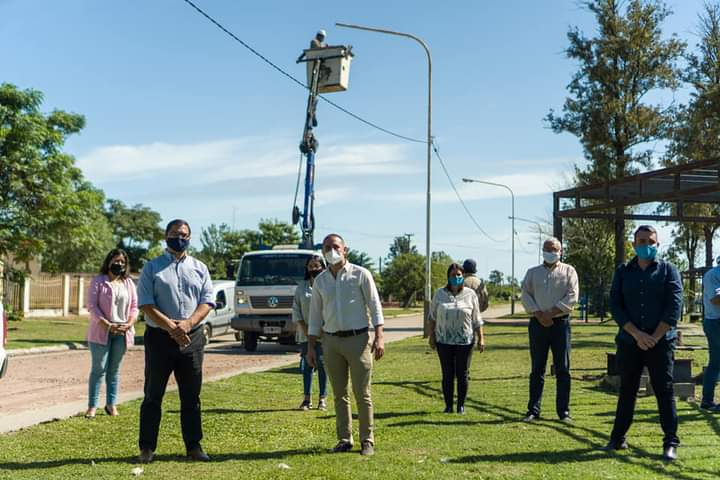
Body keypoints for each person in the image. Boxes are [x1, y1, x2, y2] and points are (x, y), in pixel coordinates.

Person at [136, 219, 214, 464]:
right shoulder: (152, 268)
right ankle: (147, 448)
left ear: (189, 238)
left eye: (183, 234)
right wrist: (172, 327)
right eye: (174, 234)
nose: (178, 238)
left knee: (191, 396)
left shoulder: (200, 267)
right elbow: (146, 304)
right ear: (165, 236)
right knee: (153, 394)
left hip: (192, 337)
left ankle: (194, 447)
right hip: (160, 338)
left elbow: (207, 301)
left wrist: (188, 324)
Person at [605, 225, 682, 461]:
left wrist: (654, 337)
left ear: (657, 245)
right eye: (641, 241)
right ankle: (617, 439)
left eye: (650, 241)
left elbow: (674, 307)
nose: (645, 245)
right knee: (627, 390)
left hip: (661, 342)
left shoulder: (669, 271)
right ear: (633, 244)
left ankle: (670, 442)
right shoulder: (623, 271)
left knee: (664, 391)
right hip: (630, 341)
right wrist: (637, 334)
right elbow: (615, 306)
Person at [306, 233, 384, 456]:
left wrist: (379, 336)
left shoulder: (361, 274)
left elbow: (375, 306)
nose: (332, 251)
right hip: (331, 341)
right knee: (339, 393)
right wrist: (311, 346)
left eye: (336, 246)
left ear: (345, 250)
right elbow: (314, 316)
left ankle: (367, 440)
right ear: (323, 252)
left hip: (358, 340)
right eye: (327, 247)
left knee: (362, 392)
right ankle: (344, 439)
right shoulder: (320, 281)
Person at [520, 237, 578, 423]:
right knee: (537, 368)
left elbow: (572, 296)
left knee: (563, 368)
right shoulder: (532, 273)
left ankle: (564, 412)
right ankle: (533, 410)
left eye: (553, 249)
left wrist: (551, 313)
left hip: (560, 324)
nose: (550, 252)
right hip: (537, 325)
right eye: (546, 248)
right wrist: (539, 314)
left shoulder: (569, 271)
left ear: (560, 251)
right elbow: (525, 294)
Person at [85, 248, 138, 418]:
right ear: (108, 262)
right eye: (116, 261)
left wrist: (129, 323)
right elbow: (92, 307)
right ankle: (92, 406)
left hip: (122, 332)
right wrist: (107, 324)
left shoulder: (128, 283)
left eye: (122, 262)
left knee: (114, 370)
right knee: (99, 369)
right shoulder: (98, 281)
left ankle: (111, 404)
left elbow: (134, 307)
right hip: (101, 331)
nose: (119, 264)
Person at [428, 263, 484, 414]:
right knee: (447, 373)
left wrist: (481, 338)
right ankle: (448, 405)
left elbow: (477, 318)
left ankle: (460, 406)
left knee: (462, 373)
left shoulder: (470, 294)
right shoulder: (439, 294)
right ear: (448, 277)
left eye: (459, 275)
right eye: (453, 275)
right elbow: (432, 317)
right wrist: (431, 335)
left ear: (463, 276)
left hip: (465, 341)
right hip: (443, 340)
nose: (456, 277)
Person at [293, 255, 328, 411]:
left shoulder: (328, 286)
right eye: (311, 266)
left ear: (323, 267)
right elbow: (296, 311)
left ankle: (322, 399)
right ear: (307, 269)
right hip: (305, 334)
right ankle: (306, 399)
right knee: (307, 365)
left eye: (317, 265)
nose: (314, 269)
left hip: (324, 334)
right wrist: (307, 331)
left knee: (322, 364)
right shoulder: (301, 288)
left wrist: (322, 329)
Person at [701, 256, 720, 412]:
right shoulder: (713, 275)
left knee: (715, 363)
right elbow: (715, 299)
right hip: (715, 322)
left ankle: (707, 400)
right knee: (715, 363)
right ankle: (707, 400)